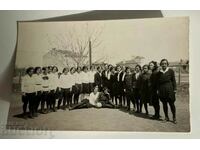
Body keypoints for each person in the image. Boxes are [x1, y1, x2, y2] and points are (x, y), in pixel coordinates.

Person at [157, 59, 177, 124]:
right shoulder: (159, 72)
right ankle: (166, 117)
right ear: (161, 64)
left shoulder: (170, 71)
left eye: (165, 63)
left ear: (167, 64)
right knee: (164, 104)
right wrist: (158, 90)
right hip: (162, 90)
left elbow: (173, 81)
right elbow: (158, 83)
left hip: (169, 89)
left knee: (171, 104)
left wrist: (175, 89)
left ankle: (174, 118)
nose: (164, 65)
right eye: (162, 63)